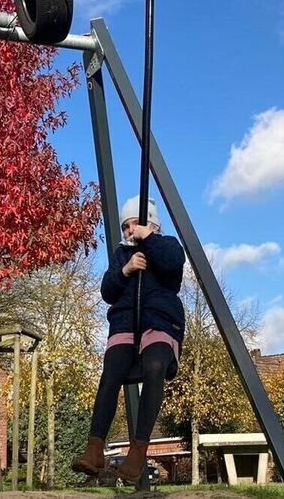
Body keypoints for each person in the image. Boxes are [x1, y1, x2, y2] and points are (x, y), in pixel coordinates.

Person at [72, 195, 185, 483]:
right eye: (125, 226)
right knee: (111, 373)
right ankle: (94, 448)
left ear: (152, 225)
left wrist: (150, 241)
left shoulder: (166, 245)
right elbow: (108, 291)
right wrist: (126, 270)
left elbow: (173, 263)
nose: (129, 230)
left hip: (159, 319)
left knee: (155, 365)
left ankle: (138, 450)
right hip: (125, 322)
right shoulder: (122, 254)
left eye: (135, 224)